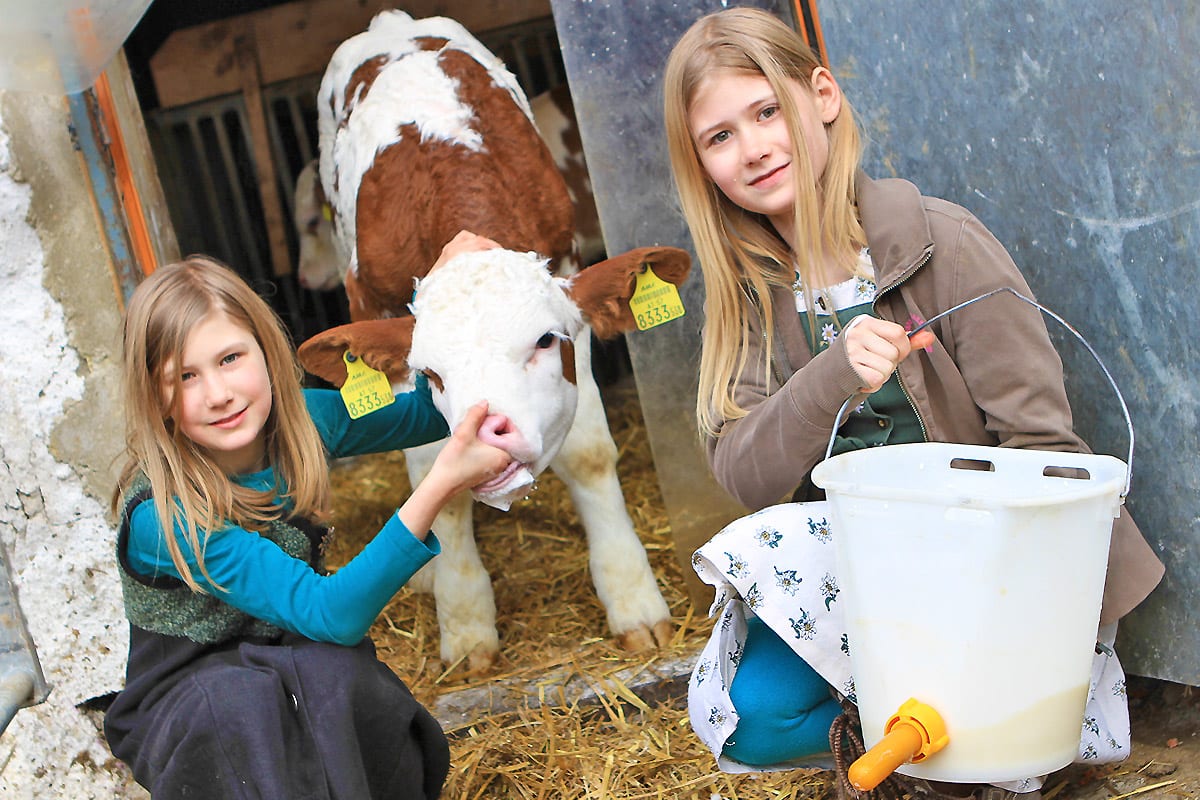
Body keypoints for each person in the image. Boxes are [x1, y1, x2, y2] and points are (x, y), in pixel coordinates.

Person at [661, 7, 1164, 798]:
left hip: (990, 557)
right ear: (699, 164)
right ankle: (901, 747)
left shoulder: (941, 242)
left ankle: (983, 743)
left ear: (822, 94)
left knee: (1012, 740)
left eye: (767, 111)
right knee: (750, 715)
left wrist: (988, 610)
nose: (753, 146)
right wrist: (833, 372)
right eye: (719, 136)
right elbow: (744, 475)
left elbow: (1043, 446)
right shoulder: (753, 296)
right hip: (866, 571)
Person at [103, 247, 511, 799]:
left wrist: (437, 292)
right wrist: (438, 485)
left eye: (230, 359)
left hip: (294, 655)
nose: (219, 394)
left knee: (339, 679)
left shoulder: (300, 422)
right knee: (241, 709)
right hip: (192, 696)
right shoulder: (165, 515)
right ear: (156, 395)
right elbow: (332, 613)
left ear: (267, 351)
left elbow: (427, 410)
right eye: (185, 376)